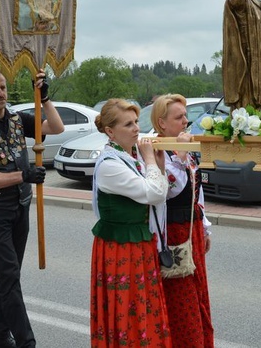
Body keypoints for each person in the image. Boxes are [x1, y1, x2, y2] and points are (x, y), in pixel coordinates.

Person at [0, 68, 63, 348]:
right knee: (7, 276)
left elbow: (56, 127)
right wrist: (22, 175)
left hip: (21, 205)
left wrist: (45, 98)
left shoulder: (17, 119)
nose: (0, 93)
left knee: (8, 276)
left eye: (3, 87)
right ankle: (26, 342)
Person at [90, 98, 171, 348]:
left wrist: (154, 163)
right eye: (128, 124)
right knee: (126, 309)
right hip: (120, 248)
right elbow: (155, 193)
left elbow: (160, 189)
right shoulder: (110, 166)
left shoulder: (129, 156)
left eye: (136, 122)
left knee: (143, 306)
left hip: (139, 244)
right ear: (110, 131)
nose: (137, 128)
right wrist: (150, 161)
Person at [151, 94, 214, 348]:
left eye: (186, 116)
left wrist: (205, 226)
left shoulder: (184, 149)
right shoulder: (156, 150)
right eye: (179, 117)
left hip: (192, 228)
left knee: (197, 291)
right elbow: (165, 191)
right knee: (181, 296)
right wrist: (178, 156)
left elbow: (197, 191)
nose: (186, 122)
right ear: (162, 123)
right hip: (174, 231)